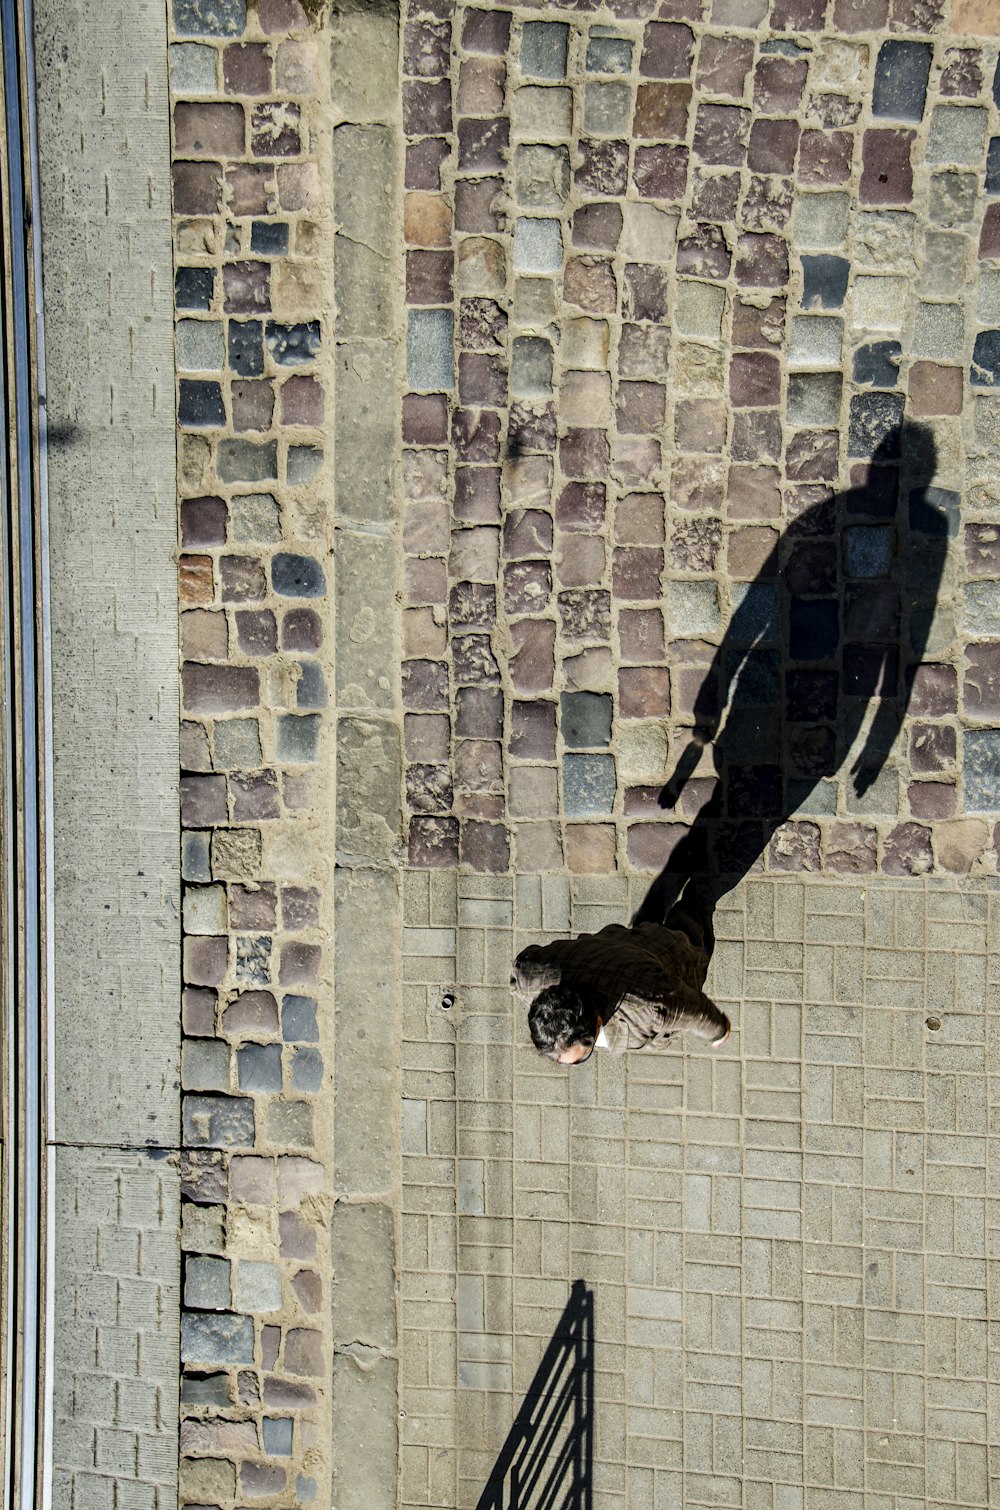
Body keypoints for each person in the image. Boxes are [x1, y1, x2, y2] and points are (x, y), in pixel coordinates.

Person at [512, 882, 730, 1065]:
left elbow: (694, 1010)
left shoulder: (649, 1007)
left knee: (694, 911)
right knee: (647, 922)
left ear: (598, 1021)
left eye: (582, 1057)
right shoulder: (529, 976)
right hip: (624, 943)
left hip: (676, 951)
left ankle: (702, 880)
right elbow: (522, 967)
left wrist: (719, 1031)